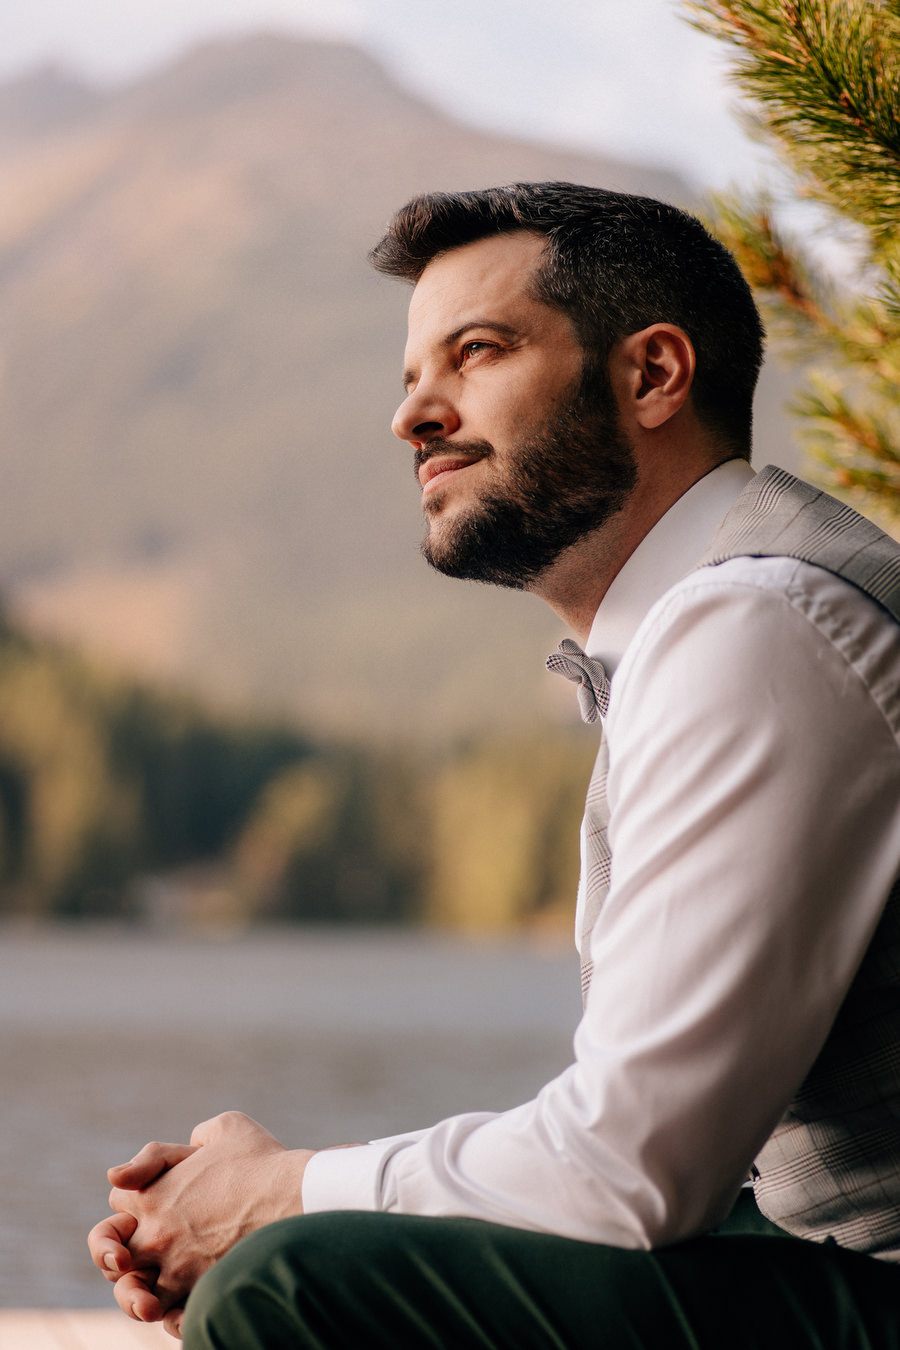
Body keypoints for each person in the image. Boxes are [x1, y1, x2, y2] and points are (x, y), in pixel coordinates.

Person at [88, 182, 900, 1348]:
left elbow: (633, 1165)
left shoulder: (756, 622)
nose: (414, 416)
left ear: (654, 375)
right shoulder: (721, 615)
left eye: (475, 354)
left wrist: (278, 1193)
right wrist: (248, 1209)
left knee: (296, 1289)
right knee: (297, 1262)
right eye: (411, 377)